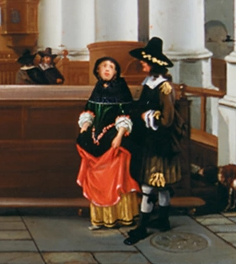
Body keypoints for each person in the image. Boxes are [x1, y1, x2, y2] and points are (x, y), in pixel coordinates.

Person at [123, 37, 184, 245]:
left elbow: (167, 119)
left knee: (152, 185)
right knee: (158, 185)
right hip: (149, 138)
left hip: (161, 141)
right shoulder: (148, 82)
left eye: (144, 61)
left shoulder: (165, 87)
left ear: (153, 63)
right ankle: (163, 220)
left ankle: (143, 227)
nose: (142, 63)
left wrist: (146, 116)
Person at [76, 57, 141, 229]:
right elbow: (89, 110)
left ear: (116, 72)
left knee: (115, 177)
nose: (107, 69)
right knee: (97, 177)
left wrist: (119, 135)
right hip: (96, 137)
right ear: (97, 70)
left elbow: (125, 115)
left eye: (111, 67)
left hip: (114, 139)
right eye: (103, 66)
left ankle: (121, 216)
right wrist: (84, 127)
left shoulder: (121, 89)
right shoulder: (98, 88)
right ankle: (100, 218)